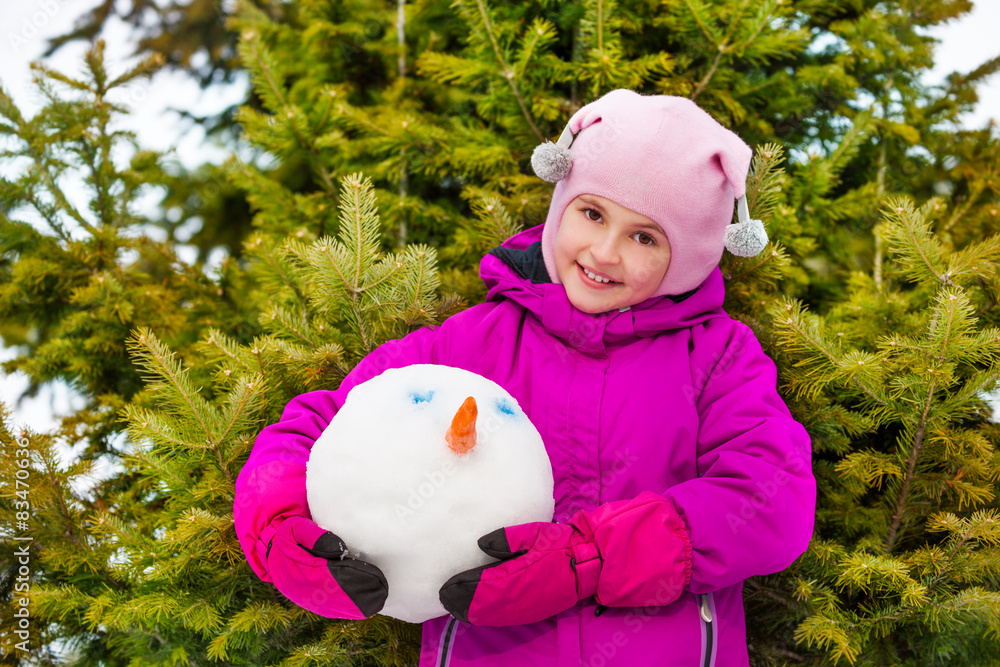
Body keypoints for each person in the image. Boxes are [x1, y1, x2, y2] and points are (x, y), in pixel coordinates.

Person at [233, 89, 816, 667]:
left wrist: (587, 559)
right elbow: (314, 428)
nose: (605, 253)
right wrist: (278, 532)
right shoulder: (469, 344)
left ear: (688, 256)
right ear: (561, 207)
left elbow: (772, 497)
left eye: (645, 237)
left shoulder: (715, 356)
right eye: (592, 214)